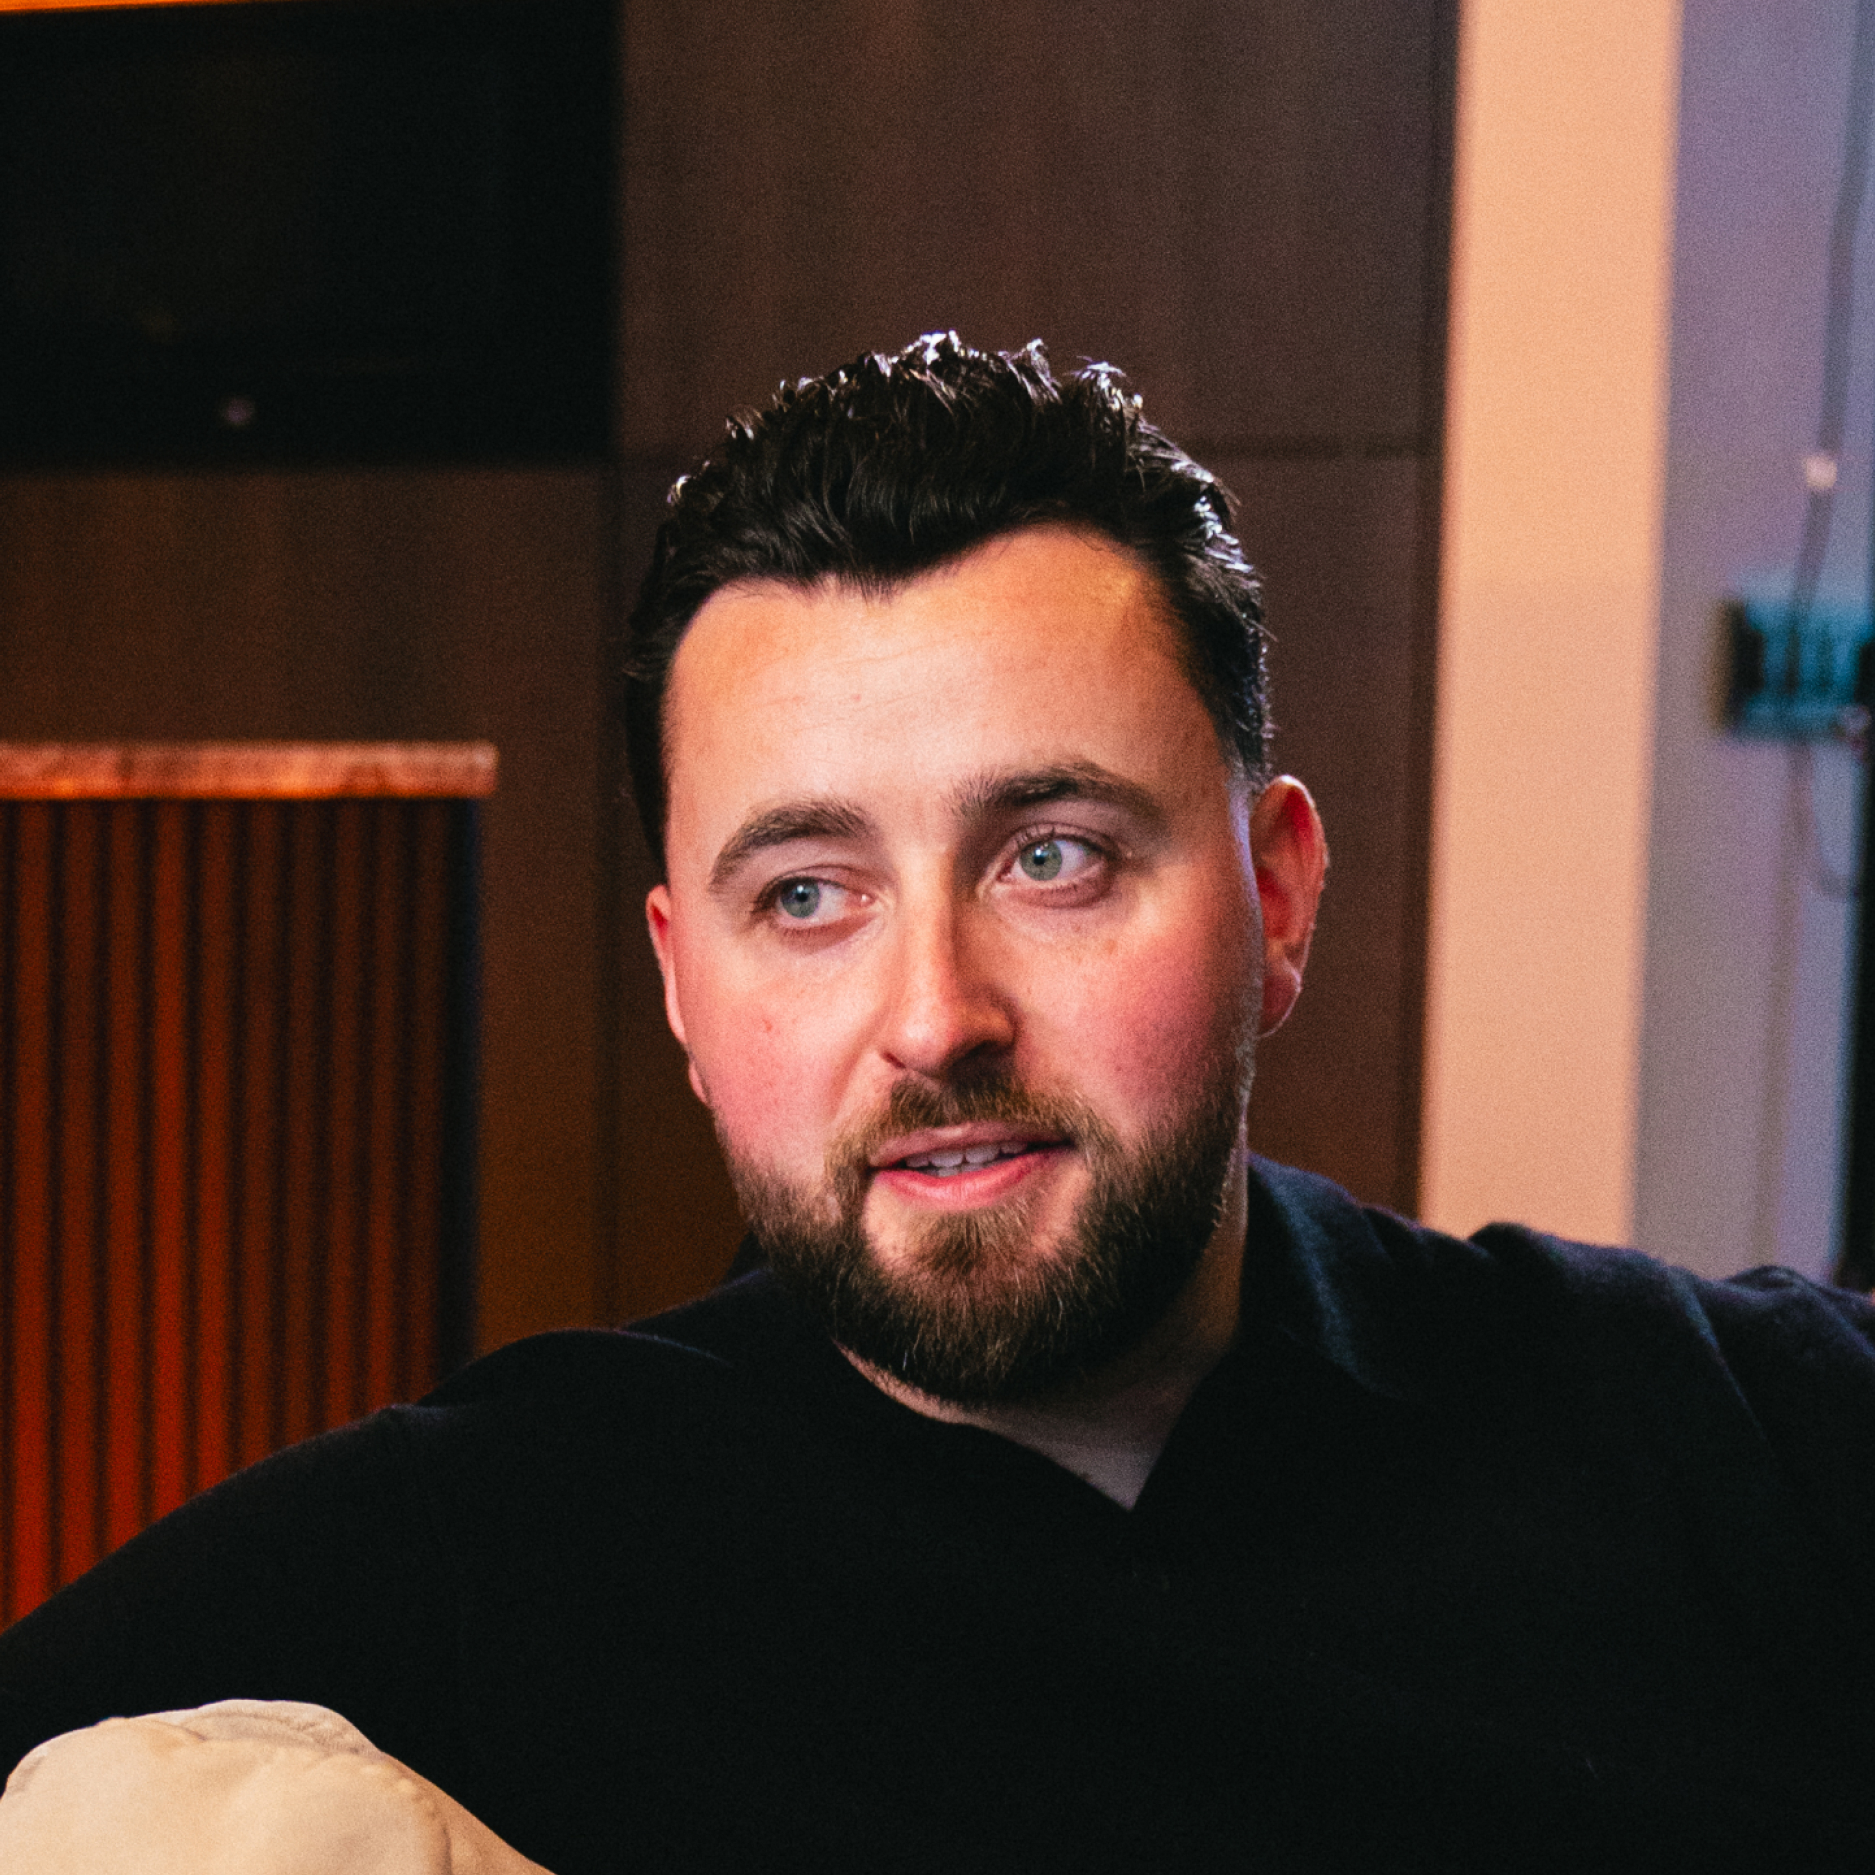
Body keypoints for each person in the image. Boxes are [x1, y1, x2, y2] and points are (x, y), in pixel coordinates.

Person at [3, 333, 1875, 1873]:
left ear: (1278, 896)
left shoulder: (1739, 1444)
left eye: (1053, 857)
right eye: (807, 896)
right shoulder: (469, 1562)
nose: (934, 1020)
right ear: (682, 982)